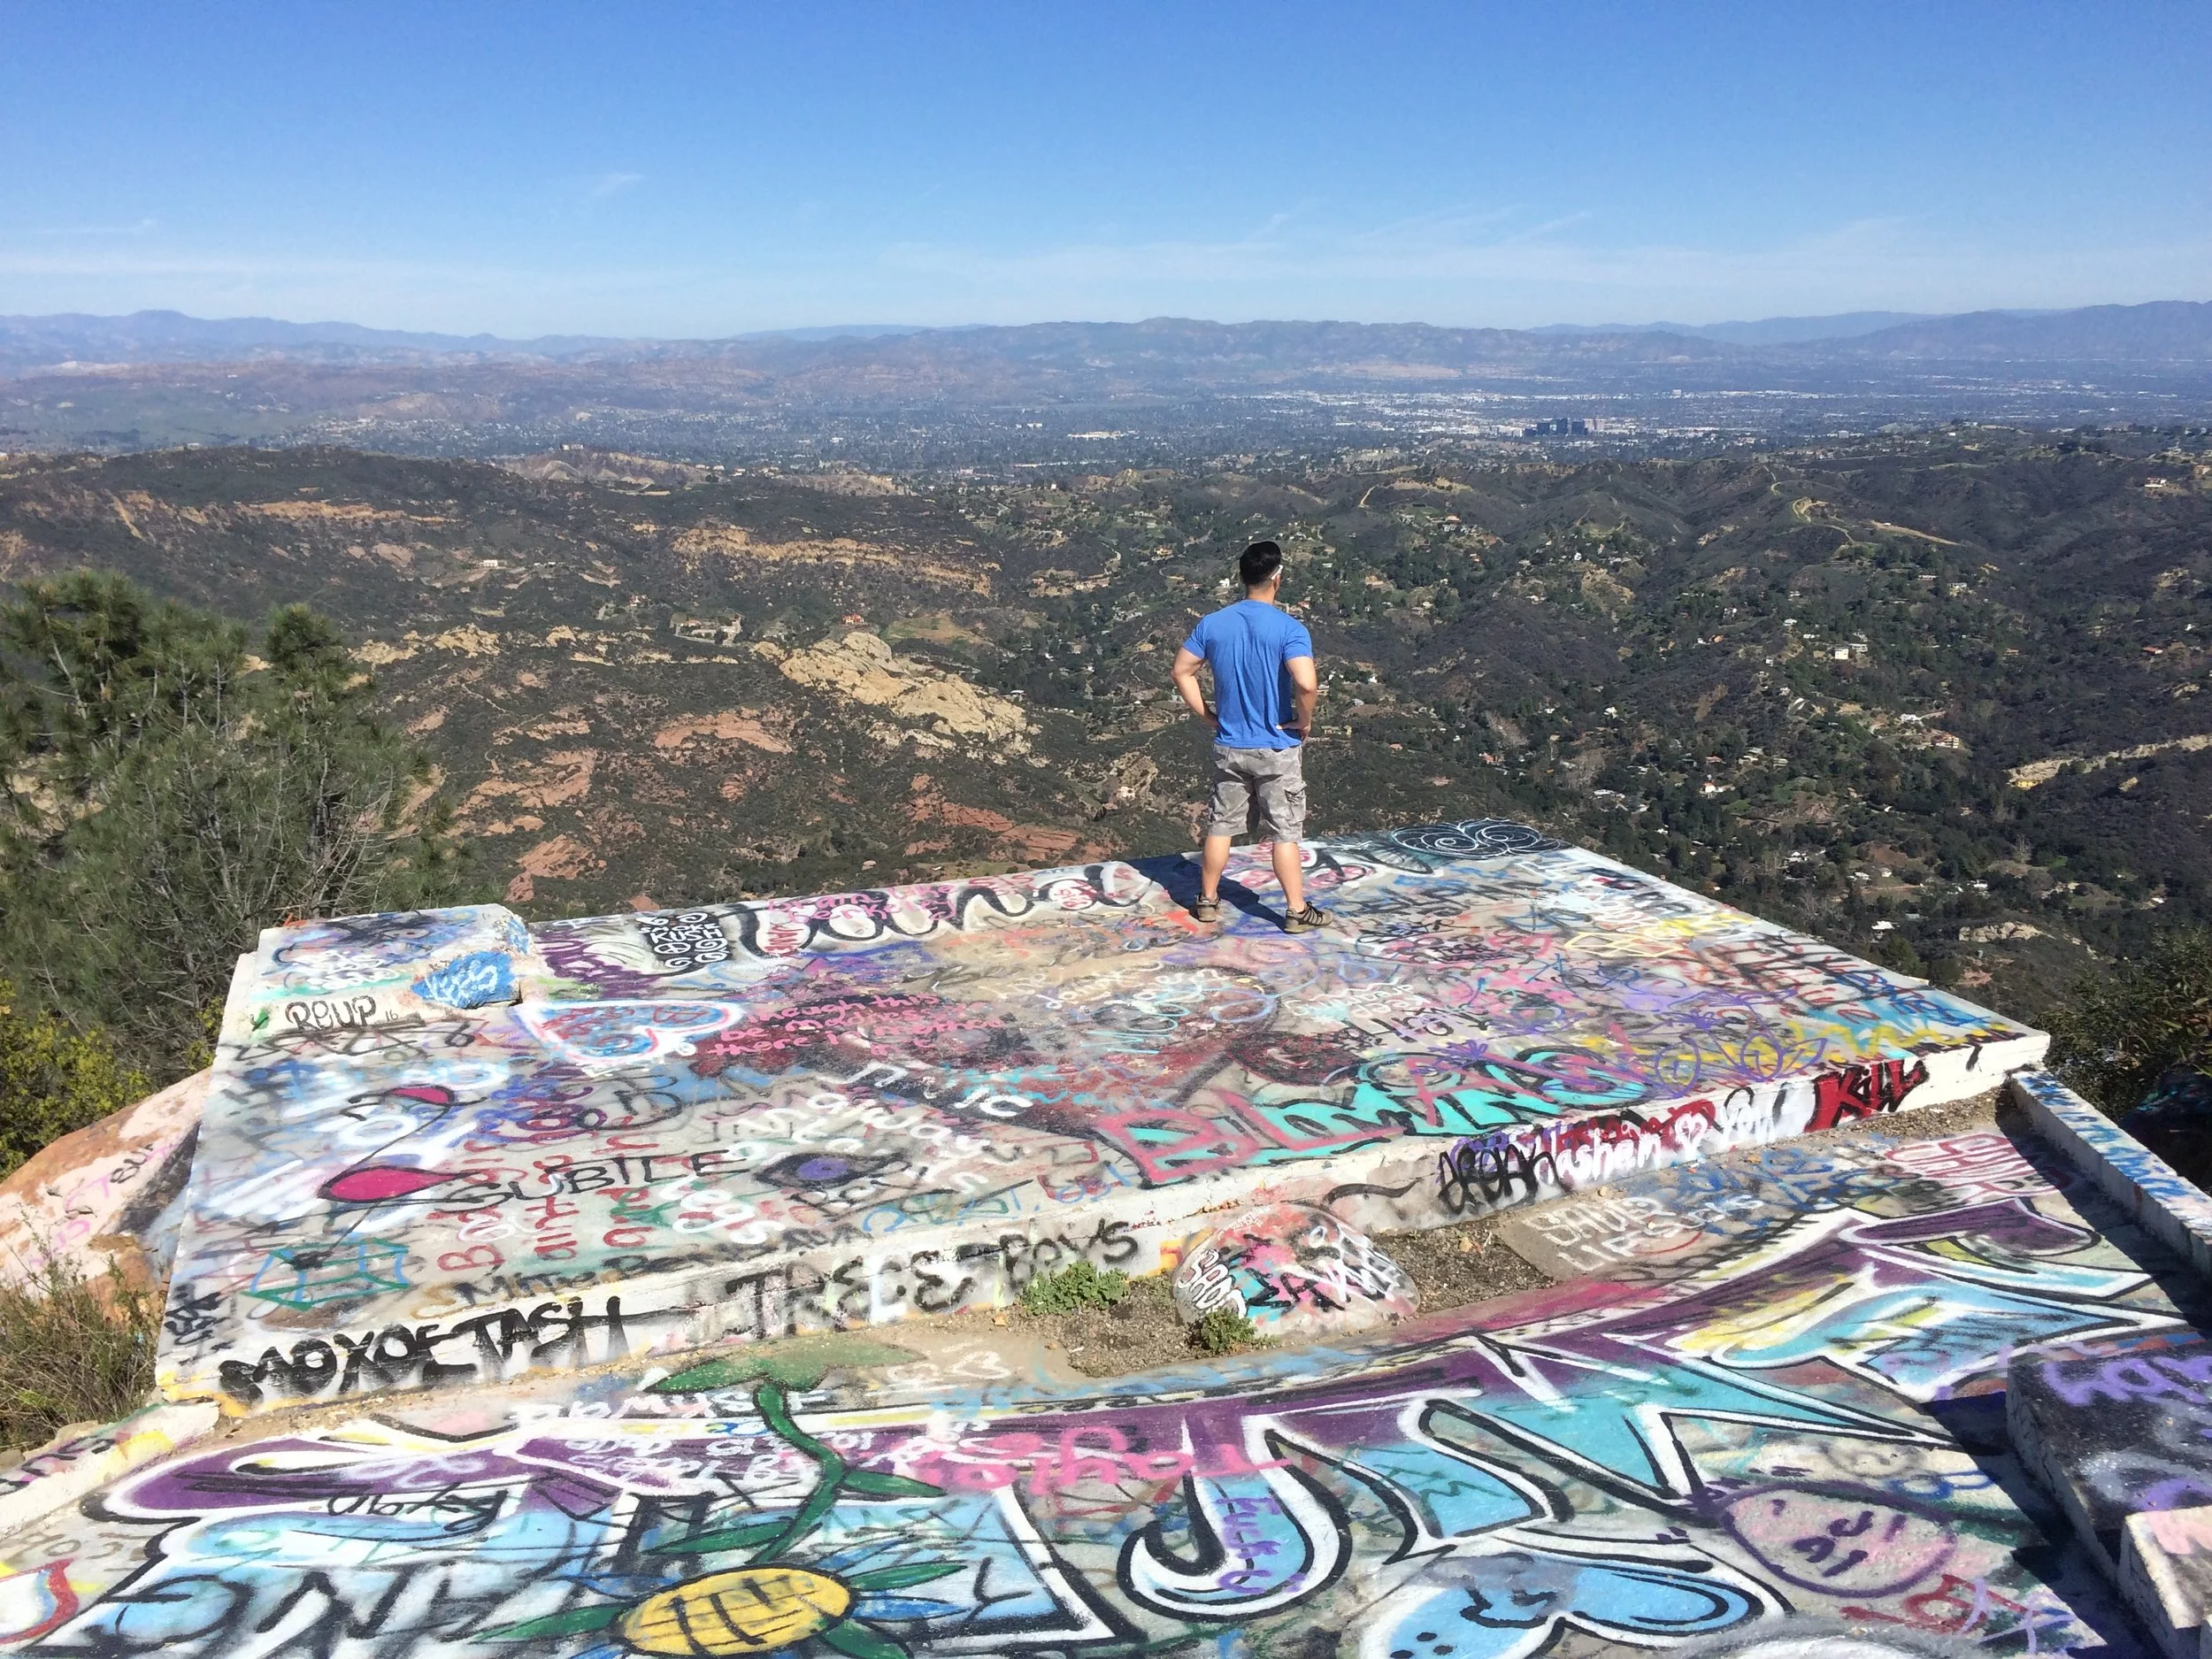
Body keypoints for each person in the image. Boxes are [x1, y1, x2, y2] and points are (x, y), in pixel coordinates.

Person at [1170, 540, 1333, 933]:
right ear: (1277, 578)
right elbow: (1306, 684)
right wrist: (1304, 721)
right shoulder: (1289, 629)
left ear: (1243, 578)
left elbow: (1181, 671)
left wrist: (1208, 716)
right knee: (1285, 833)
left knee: (1220, 826)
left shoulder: (1212, 624)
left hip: (1230, 744)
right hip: (1277, 745)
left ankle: (1207, 900)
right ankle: (1295, 911)